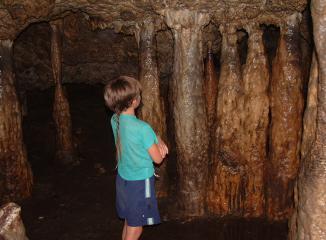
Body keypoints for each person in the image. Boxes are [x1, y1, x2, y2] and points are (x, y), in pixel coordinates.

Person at [104, 76, 168, 240]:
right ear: (134, 101)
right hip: (139, 182)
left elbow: (138, 138)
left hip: (123, 179)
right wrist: (161, 145)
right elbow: (158, 159)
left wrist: (155, 138)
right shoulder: (143, 128)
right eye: (138, 95)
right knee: (136, 228)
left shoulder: (115, 120)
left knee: (129, 221)